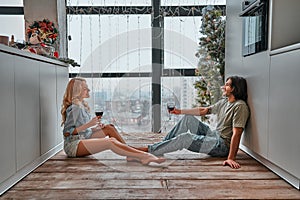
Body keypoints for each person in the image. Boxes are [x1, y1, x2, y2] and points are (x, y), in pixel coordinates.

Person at [135, 76, 250, 169]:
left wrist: (231, 158)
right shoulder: (224, 102)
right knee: (188, 119)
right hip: (214, 136)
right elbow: (204, 110)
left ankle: (150, 150)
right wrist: (179, 111)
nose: (223, 87)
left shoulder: (240, 106)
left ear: (234, 88)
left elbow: (237, 133)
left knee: (186, 138)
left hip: (222, 145)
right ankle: (160, 148)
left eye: (227, 85)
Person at [61, 77, 165, 165]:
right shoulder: (75, 108)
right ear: (77, 91)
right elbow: (67, 133)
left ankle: (130, 154)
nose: (88, 90)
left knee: (109, 128)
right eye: (85, 88)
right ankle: (143, 155)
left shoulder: (82, 105)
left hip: (83, 137)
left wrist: (94, 128)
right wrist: (89, 124)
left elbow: (82, 131)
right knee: (110, 142)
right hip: (73, 146)